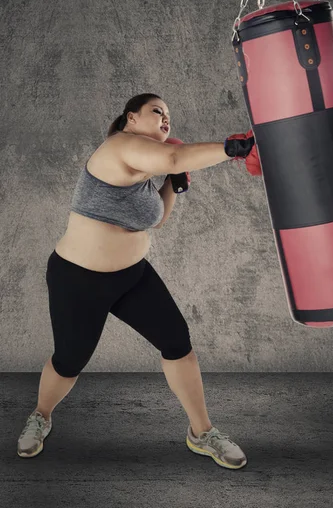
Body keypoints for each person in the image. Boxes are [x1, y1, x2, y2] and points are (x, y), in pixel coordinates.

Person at [17, 93, 254, 469]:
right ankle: (41, 416)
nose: (166, 119)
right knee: (69, 360)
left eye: (169, 116)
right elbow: (175, 157)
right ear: (131, 118)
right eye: (157, 111)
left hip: (132, 276)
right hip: (78, 279)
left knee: (178, 344)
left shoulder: (142, 174)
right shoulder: (118, 147)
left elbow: (155, 217)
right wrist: (236, 148)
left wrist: (173, 186)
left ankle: (202, 433)